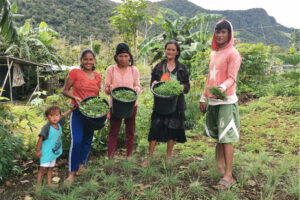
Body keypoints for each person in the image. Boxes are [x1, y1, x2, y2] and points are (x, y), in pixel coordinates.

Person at [200, 19, 241, 189]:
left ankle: (228, 176)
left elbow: (232, 78)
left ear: (229, 34)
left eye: (224, 32)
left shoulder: (234, 53)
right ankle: (219, 166)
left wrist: (221, 88)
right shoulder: (213, 53)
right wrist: (204, 97)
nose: (220, 35)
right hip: (213, 101)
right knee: (218, 136)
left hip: (226, 101)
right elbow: (210, 77)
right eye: (218, 31)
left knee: (226, 138)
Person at [143, 40, 190, 167]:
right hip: (160, 104)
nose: (170, 51)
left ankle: (168, 157)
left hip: (176, 104)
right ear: (165, 50)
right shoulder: (158, 67)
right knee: (154, 129)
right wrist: (153, 84)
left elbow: (187, 86)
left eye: (173, 50)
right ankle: (150, 157)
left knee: (172, 130)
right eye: (168, 49)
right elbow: (152, 84)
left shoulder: (181, 68)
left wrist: (181, 87)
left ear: (177, 52)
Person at [62, 49, 102, 183]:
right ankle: (71, 173)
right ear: (81, 60)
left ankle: (81, 166)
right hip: (78, 111)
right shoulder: (74, 73)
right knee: (77, 141)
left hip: (92, 114)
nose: (88, 62)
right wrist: (75, 97)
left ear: (94, 61)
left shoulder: (97, 76)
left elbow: (97, 96)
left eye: (91, 59)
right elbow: (65, 90)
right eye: (85, 59)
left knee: (87, 141)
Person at [104, 43, 141, 159]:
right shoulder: (111, 69)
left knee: (130, 131)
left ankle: (129, 156)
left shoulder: (133, 70)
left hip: (131, 105)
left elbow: (138, 86)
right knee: (113, 131)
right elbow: (105, 89)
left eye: (126, 56)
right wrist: (110, 89)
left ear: (129, 56)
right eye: (121, 56)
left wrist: (136, 89)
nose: (123, 59)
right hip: (115, 105)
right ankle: (110, 156)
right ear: (116, 57)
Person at [35, 105, 74, 191]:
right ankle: (37, 187)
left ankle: (48, 183)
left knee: (51, 167)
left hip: (53, 152)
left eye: (57, 115)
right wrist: (38, 150)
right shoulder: (46, 127)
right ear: (47, 117)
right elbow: (40, 138)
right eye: (51, 116)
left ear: (59, 116)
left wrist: (71, 110)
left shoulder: (59, 123)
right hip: (46, 152)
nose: (55, 118)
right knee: (42, 169)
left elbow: (64, 116)